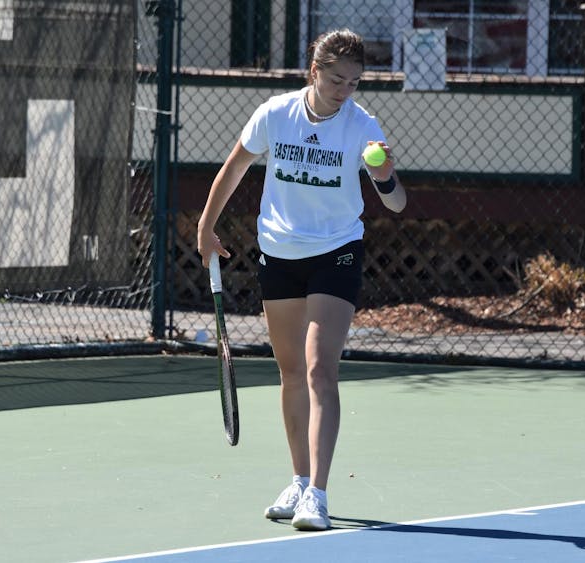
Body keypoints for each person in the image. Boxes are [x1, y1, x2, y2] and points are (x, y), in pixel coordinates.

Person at [196, 28, 406, 531]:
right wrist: (206, 227)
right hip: (279, 251)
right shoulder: (275, 114)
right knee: (290, 372)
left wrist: (385, 177)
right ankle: (298, 479)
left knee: (318, 369)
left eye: (354, 82)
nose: (344, 89)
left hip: (337, 251)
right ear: (314, 71)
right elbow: (234, 167)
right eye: (336, 79)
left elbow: (397, 204)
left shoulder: (362, 126)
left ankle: (319, 494)